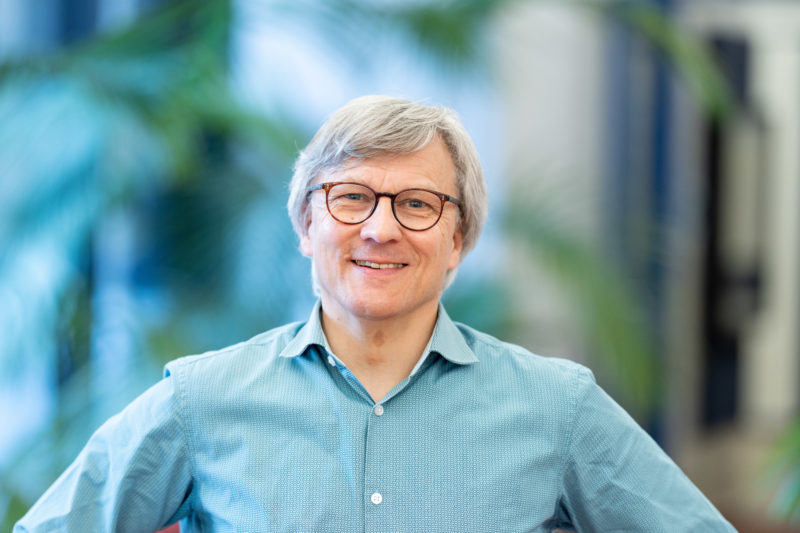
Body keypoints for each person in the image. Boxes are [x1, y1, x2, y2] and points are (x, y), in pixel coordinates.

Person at [15, 95, 736, 532]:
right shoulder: (200, 399)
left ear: (459, 239)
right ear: (305, 224)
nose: (380, 229)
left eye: (417, 204)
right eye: (351, 196)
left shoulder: (557, 407)